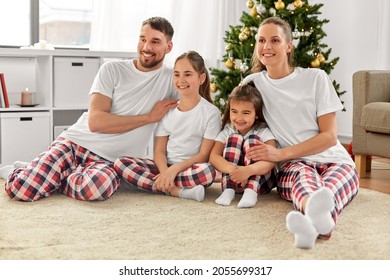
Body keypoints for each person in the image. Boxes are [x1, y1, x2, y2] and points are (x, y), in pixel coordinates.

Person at [1, 16, 179, 202]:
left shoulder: (171, 79)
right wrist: (149, 117)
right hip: (76, 143)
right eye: (142, 39)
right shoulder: (112, 69)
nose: (146, 47)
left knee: (98, 188)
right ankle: (20, 171)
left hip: (109, 161)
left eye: (155, 42)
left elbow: (196, 104)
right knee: (22, 190)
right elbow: (96, 122)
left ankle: (54, 175)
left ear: (168, 47)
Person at [243, 17, 359, 248]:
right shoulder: (251, 84)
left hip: (336, 160)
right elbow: (233, 124)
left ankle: (311, 226)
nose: (266, 47)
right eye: (261, 40)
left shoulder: (316, 78)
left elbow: (329, 136)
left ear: (288, 45)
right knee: (304, 183)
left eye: (275, 40)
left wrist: (280, 153)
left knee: (330, 190)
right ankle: (317, 221)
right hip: (294, 165)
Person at [114, 51, 221, 202]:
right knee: (121, 163)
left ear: (201, 78)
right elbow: (159, 151)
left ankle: (156, 185)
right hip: (163, 166)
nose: (181, 80)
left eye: (188, 74)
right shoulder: (168, 110)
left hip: (190, 169)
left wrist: (174, 170)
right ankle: (177, 191)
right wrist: (165, 172)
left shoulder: (211, 113)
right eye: (177, 74)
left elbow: (203, 155)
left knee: (207, 172)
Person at [209, 82, 276, 208]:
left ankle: (251, 192)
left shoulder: (262, 131)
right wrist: (236, 172)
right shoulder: (228, 130)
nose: (238, 118)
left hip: (262, 184)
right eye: (234, 111)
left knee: (252, 139)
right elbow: (214, 156)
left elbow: (271, 160)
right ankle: (228, 191)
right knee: (234, 138)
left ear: (256, 114)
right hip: (234, 180)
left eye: (245, 113)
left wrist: (247, 171)